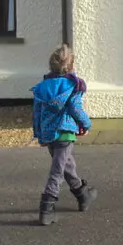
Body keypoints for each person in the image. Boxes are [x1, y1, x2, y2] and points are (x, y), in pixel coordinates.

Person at [31, 44, 97, 226]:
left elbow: (36, 112)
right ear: (71, 65)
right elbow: (75, 108)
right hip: (65, 132)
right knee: (57, 171)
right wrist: (86, 123)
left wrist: (38, 133)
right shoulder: (73, 85)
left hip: (49, 134)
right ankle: (46, 209)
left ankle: (83, 195)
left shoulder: (42, 86)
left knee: (66, 165)